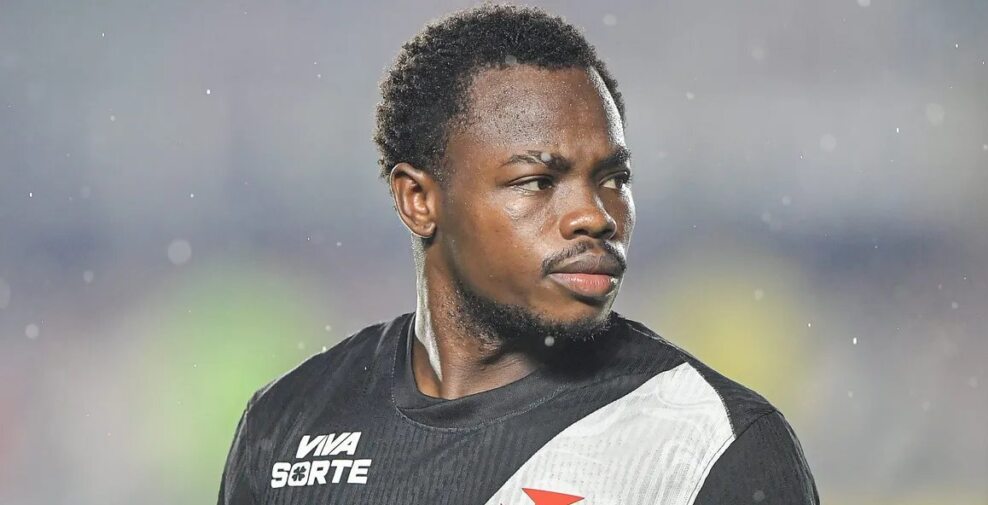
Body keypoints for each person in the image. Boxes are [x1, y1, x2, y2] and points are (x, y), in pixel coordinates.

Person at [217, 5, 820, 504]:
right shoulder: (287, 424)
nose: (596, 215)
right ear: (418, 200)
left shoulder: (716, 444)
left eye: (613, 178)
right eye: (537, 181)